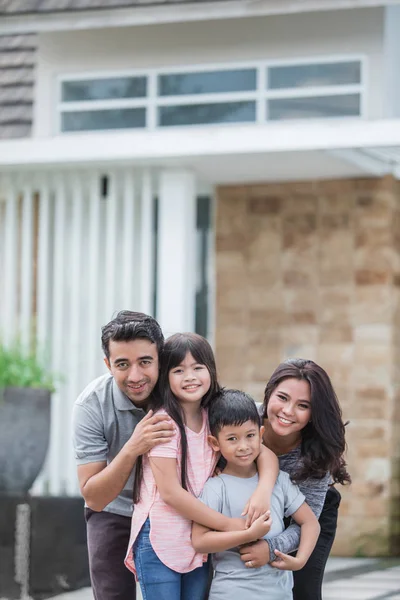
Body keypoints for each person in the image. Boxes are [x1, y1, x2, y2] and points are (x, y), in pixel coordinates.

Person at [125, 333, 279, 600]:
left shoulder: (216, 416)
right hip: (161, 536)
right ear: (166, 376)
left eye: (198, 367)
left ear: (211, 370)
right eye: (178, 370)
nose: (190, 377)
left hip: (199, 536)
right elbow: (171, 493)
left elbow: (264, 453)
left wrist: (264, 490)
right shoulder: (164, 423)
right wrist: (230, 525)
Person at [72, 311, 175, 600]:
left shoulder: (182, 387)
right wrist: (133, 447)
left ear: (160, 358)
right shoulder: (91, 406)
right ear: (108, 364)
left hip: (173, 506)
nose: (135, 376)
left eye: (145, 362)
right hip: (114, 509)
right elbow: (94, 496)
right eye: (122, 364)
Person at [191, 389, 320, 600]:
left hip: (279, 593)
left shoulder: (280, 481)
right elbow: (200, 541)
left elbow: (310, 523)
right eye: (232, 438)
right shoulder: (215, 487)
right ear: (215, 443)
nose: (243, 446)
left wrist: (300, 560)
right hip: (231, 593)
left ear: (260, 435)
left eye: (250, 436)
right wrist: (248, 535)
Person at [239, 358, 351, 600]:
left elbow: (305, 524)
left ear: (314, 413)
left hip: (308, 514)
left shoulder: (315, 452)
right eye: (282, 398)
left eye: (303, 405)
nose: (288, 411)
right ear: (269, 394)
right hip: (252, 504)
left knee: (303, 592)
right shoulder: (242, 421)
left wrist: (269, 549)